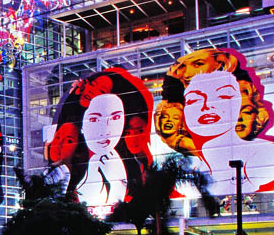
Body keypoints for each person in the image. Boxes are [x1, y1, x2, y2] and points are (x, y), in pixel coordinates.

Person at [157, 47, 274, 194]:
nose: (208, 106)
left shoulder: (266, 155)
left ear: (242, 101)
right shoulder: (188, 172)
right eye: (195, 99)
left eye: (223, 95)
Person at [47, 67, 152, 212]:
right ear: (82, 125)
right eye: (94, 119)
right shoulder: (67, 171)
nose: (105, 129)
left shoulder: (127, 166)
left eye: (115, 118)